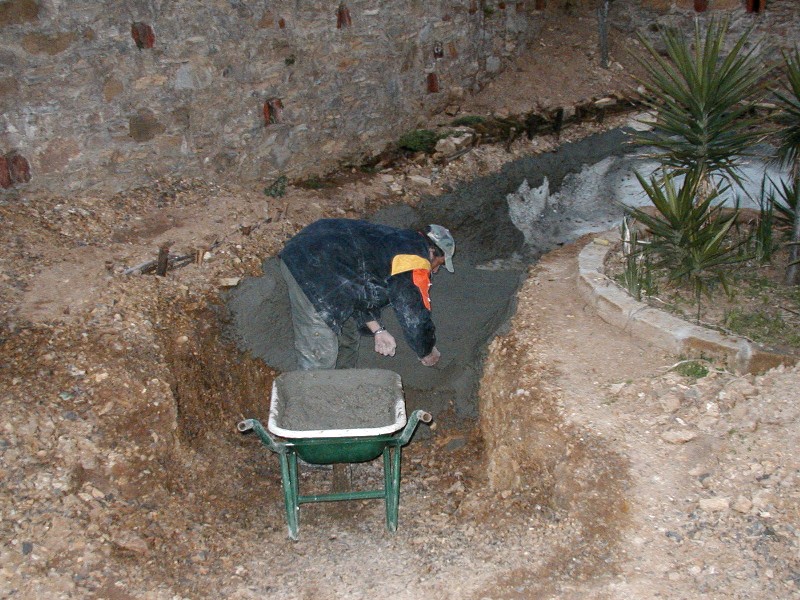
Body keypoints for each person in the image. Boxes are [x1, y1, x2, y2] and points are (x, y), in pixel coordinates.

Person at [278, 218, 455, 370]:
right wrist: (426, 350)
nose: (436, 270)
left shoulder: (394, 243)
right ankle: (310, 403)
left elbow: (359, 286)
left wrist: (378, 330)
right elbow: (413, 315)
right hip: (314, 268)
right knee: (321, 355)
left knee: (348, 339)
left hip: (316, 256)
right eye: (439, 263)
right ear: (431, 251)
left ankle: (338, 391)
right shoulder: (414, 259)